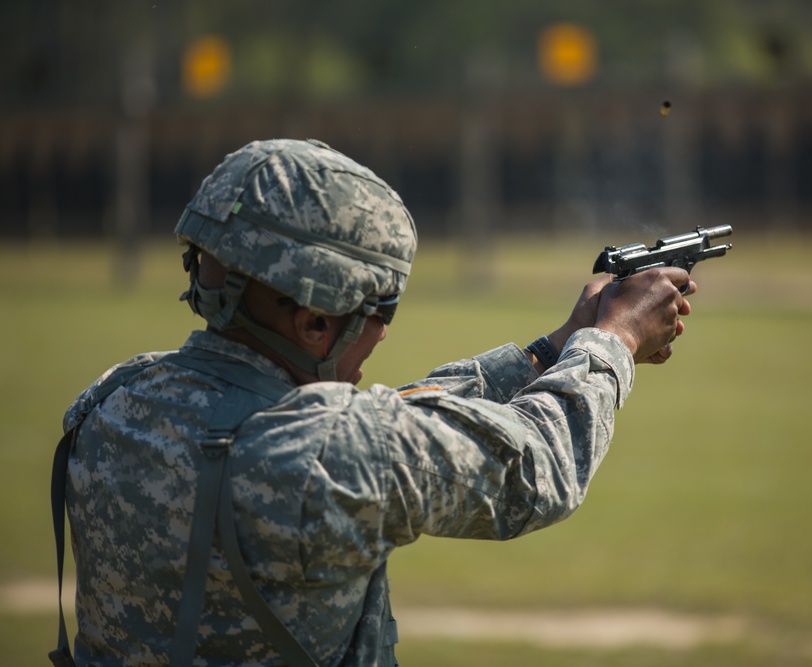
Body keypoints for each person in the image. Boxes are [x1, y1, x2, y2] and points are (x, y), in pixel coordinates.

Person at [54, 138, 696, 667]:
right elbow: (538, 467)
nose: (384, 331)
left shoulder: (113, 400)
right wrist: (615, 341)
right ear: (312, 323)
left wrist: (547, 352)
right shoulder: (331, 452)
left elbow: (391, 422)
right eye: (380, 309)